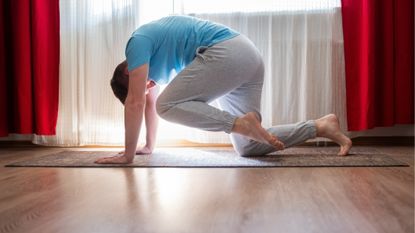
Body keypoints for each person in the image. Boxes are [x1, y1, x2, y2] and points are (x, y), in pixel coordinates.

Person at [95, 15, 352, 164]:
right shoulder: (149, 62)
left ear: (128, 71)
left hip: (228, 53)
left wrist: (127, 156)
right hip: (244, 60)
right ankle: (320, 126)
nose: (149, 86)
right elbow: (146, 103)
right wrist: (148, 146)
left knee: (167, 104)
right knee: (248, 147)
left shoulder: (137, 44)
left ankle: (241, 123)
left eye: (143, 84)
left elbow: (137, 102)